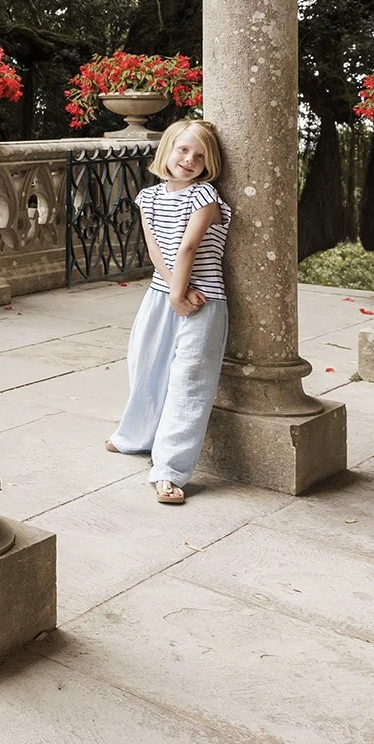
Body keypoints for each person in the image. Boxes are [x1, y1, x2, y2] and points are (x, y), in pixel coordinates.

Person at [105, 119, 232, 505]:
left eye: (199, 155)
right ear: (168, 150)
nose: (189, 160)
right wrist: (173, 290)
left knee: (189, 381)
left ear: (209, 163)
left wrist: (182, 294)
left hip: (202, 301)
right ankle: (137, 436)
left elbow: (188, 248)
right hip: (163, 295)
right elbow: (157, 249)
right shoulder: (149, 197)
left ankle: (170, 470)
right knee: (145, 365)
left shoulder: (204, 196)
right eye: (183, 150)